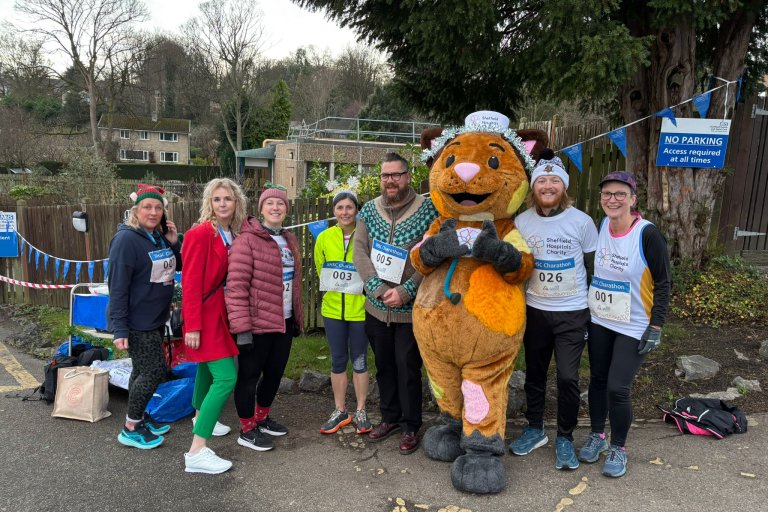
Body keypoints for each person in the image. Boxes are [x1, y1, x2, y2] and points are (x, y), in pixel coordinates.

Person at [509, 150, 598, 470]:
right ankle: (535, 429)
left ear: (564, 187)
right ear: (534, 188)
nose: (548, 186)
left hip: (572, 312)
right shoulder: (522, 221)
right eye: (542, 181)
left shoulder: (582, 222)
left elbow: (594, 267)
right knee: (534, 374)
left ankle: (564, 436)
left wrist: (596, 310)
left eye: (554, 181)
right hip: (535, 310)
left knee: (567, 378)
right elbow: (517, 266)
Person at [578, 171, 670, 478]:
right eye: (607, 194)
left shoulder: (647, 234)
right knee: (598, 381)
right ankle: (597, 435)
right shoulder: (602, 225)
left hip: (634, 324)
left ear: (632, 199)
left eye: (620, 194)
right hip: (602, 319)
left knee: (618, 388)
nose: (612, 199)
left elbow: (663, 283)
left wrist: (656, 326)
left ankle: (619, 447)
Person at [353, 152, 438, 454]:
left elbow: (432, 255)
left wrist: (407, 290)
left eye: (396, 175)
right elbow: (359, 251)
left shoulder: (427, 210)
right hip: (376, 309)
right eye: (385, 176)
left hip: (409, 310)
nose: (390, 181)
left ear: (407, 176)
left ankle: (411, 425)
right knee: (384, 366)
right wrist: (375, 287)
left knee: (408, 368)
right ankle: (389, 418)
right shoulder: (369, 210)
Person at [227, 183, 304, 453]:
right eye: (269, 203)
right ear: (261, 209)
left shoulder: (289, 240)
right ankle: (247, 429)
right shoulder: (246, 240)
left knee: (274, 375)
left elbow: (294, 283)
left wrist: (295, 317)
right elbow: (236, 287)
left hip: (283, 320)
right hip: (256, 324)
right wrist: (242, 328)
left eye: (280, 204)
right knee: (249, 377)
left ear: (286, 210)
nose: (275, 207)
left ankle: (262, 418)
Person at [181, 178, 247, 474]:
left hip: (221, 313)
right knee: (226, 378)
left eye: (228, 199)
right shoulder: (199, 234)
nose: (223, 204)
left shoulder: (231, 232)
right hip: (205, 316)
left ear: (237, 203)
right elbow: (191, 284)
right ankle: (197, 451)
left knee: (207, 372)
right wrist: (192, 326)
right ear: (210, 202)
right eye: (217, 199)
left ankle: (199, 416)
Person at [108, 183, 181, 449]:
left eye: (158, 207)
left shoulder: (157, 236)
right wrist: (119, 328)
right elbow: (117, 287)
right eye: (147, 207)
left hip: (156, 318)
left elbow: (179, 265)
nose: (153, 212)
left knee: (140, 370)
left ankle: (138, 415)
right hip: (137, 321)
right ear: (135, 210)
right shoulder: (127, 240)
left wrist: (174, 243)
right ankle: (131, 426)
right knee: (154, 371)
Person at [314, 190, 372, 435]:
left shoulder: (366, 236)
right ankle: (340, 410)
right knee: (338, 360)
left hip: (360, 311)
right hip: (333, 310)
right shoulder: (325, 238)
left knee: (359, 360)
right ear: (334, 211)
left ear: (356, 210)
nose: (345, 212)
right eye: (340, 208)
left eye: (349, 207)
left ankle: (361, 410)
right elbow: (321, 269)